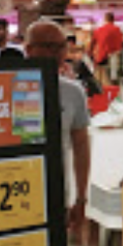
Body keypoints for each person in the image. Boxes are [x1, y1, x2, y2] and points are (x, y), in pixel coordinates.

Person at [25, 20, 91, 231]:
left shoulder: (73, 92)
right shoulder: (5, 88)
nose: (55, 53)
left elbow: (81, 146)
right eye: (47, 46)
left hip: (56, 193)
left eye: (60, 46)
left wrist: (81, 198)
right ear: (28, 49)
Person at [90, 12, 123, 86]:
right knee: (114, 77)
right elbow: (121, 43)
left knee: (101, 78)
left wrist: (91, 53)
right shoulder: (118, 30)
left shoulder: (99, 30)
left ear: (105, 19)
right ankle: (115, 89)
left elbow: (93, 43)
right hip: (115, 56)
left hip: (102, 56)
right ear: (113, 20)